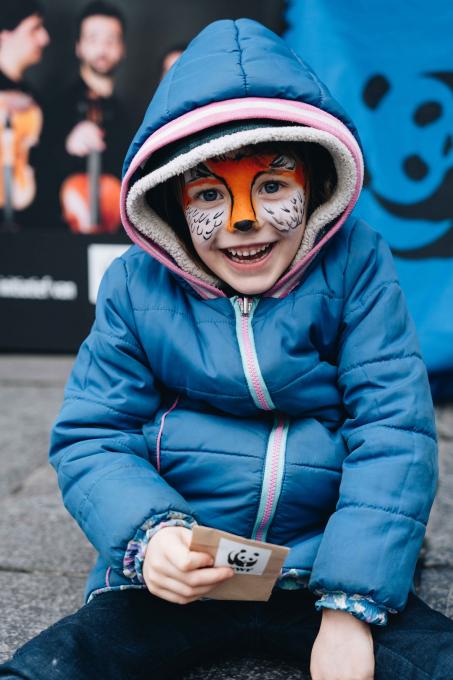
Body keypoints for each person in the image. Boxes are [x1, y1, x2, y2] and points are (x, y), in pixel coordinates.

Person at [1, 17, 453, 680]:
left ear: (316, 181)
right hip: (188, 569)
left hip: (322, 567)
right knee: (64, 660)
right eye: (210, 194)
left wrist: (351, 607)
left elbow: (392, 429)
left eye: (271, 186)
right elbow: (93, 432)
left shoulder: (357, 265)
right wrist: (151, 536)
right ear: (170, 202)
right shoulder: (134, 284)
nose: (243, 220)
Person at [49, 0, 129, 232]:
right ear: (79, 46)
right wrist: (67, 146)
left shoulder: (126, 112)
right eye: (93, 39)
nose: (102, 49)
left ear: (122, 49)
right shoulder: (58, 106)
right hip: (63, 238)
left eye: (111, 40)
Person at [0, 0, 50, 229]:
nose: (44, 38)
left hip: (26, 219)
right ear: (5, 34)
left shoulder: (32, 97)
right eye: (34, 29)